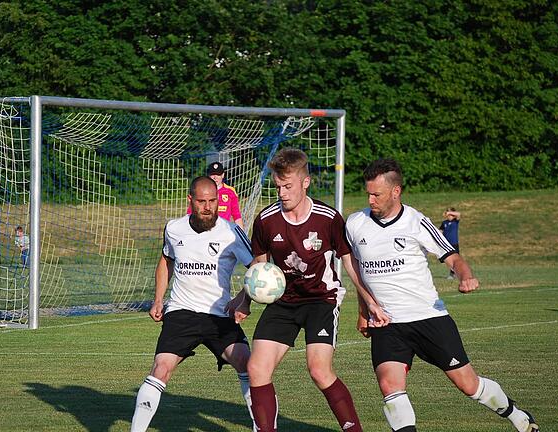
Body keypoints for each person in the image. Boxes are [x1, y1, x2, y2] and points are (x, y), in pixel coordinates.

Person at [344, 158, 539, 432]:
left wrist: (466, 276)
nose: (370, 199)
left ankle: (516, 414)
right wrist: (364, 311)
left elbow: (454, 258)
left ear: (396, 191)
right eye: (368, 193)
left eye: (377, 194)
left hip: (428, 318)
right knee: (390, 386)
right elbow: (357, 270)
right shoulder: (355, 223)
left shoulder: (416, 222)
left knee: (468, 385)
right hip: (387, 324)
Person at [230, 148, 385, 432]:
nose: (282, 193)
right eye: (278, 187)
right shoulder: (266, 220)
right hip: (283, 302)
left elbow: (350, 263)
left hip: (321, 300)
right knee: (256, 369)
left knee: (319, 370)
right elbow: (259, 267)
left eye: (288, 186)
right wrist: (244, 300)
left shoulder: (328, 218)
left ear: (305, 182)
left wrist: (369, 304)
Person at [130, 176, 255, 432]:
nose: (208, 207)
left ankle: (262, 427)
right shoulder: (174, 228)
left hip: (219, 315)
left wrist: (243, 300)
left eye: (213, 201)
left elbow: (258, 271)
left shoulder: (231, 231)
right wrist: (158, 300)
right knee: (161, 369)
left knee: (248, 363)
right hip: (181, 313)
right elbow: (166, 261)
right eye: (202, 202)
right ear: (190, 200)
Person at [188, 161, 244, 229]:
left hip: (223, 231)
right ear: (208, 175)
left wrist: (242, 234)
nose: (215, 177)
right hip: (204, 229)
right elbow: (190, 213)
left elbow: (237, 216)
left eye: (218, 174)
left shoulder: (230, 191)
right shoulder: (201, 190)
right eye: (213, 174)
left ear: (223, 175)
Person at [439, 207, 461, 279]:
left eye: (450, 214)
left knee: (455, 259)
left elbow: (458, 214)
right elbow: (440, 232)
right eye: (448, 214)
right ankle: (453, 273)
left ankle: (453, 274)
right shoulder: (444, 223)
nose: (448, 216)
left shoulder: (455, 221)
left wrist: (449, 212)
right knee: (446, 260)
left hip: (454, 244)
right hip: (446, 245)